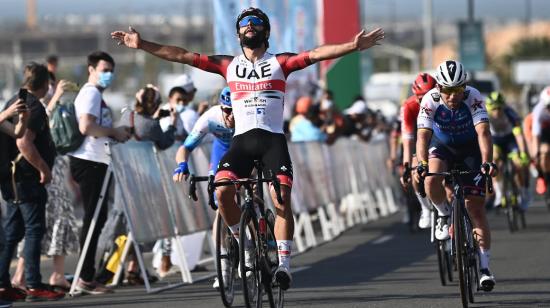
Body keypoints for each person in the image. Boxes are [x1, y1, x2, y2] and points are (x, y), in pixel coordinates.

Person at [112, 7, 384, 290]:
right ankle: (244, 244)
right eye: (244, 24)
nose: (249, 26)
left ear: (266, 32)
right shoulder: (228, 65)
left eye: (256, 23)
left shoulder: (280, 62)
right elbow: (182, 55)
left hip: (272, 141)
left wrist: (352, 46)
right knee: (222, 191)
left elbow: (316, 54)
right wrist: (142, 44)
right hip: (241, 142)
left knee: (281, 201)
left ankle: (284, 266)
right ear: (238, 33)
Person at [413, 60, 497, 291]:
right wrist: (421, 163)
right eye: (447, 91)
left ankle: (484, 268)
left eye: (457, 90)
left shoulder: (474, 96)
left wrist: (488, 161)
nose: (452, 96)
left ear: (465, 87)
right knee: (431, 178)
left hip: (470, 148)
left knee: (476, 208)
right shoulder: (430, 99)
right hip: (442, 146)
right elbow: (422, 136)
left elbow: (483, 132)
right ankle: (442, 214)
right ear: (439, 88)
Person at [67, 51, 131, 295]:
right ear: (91, 69)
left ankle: (87, 275)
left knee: (97, 218)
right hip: (89, 162)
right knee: (93, 219)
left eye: (111, 70)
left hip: (96, 161)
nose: (108, 74)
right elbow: (87, 127)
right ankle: (84, 276)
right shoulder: (91, 93)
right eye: (104, 69)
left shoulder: (94, 94)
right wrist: (114, 132)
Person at [0, 63, 65, 302]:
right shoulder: (32, 105)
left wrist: (18, 119)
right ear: (45, 84)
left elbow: (17, 134)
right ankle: (34, 284)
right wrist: (43, 168)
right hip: (25, 178)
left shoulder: (14, 101)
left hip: (12, 179)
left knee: (12, 232)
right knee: (34, 230)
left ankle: (3, 283)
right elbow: (23, 142)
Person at [173, 86, 235, 288]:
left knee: (249, 188)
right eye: (227, 110)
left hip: (244, 151)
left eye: (236, 110)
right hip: (222, 152)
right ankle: (224, 267)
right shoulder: (210, 118)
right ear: (220, 107)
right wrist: (182, 164)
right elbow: (185, 147)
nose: (231, 115)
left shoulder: (248, 116)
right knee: (221, 207)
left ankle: (254, 241)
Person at [399, 73, 437, 230]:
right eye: (421, 98)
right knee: (415, 173)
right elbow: (408, 141)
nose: (425, 101)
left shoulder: (440, 101)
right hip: (419, 139)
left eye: (428, 96)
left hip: (438, 138)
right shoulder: (408, 107)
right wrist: (406, 167)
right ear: (415, 95)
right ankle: (425, 209)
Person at [485, 91, 530, 210]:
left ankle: (522, 193)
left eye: (499, 108)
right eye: (494, 109)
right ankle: (499, 193)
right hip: (496, 141)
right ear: (489, 108)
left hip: (510, 140)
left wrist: (523, 153)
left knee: (518, 164)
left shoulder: (510, 113)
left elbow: (519, 136)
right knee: (494, 162)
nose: (497, 112)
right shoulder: (485, 115)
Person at [530, 86, 550, 205]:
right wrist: (535, 155)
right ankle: (542, 176)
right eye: (548, 107)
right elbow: (535, 135)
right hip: (543, 132)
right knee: (541, 152)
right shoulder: (538, 110)